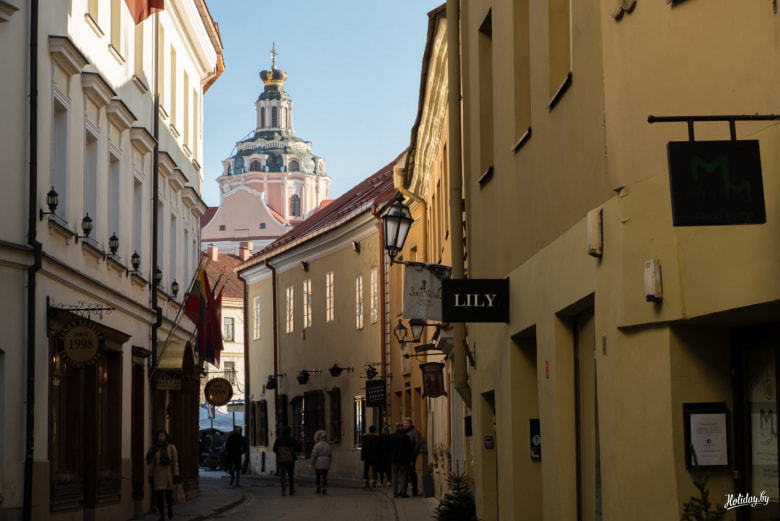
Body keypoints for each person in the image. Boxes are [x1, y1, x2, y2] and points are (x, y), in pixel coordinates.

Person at [146, 429, 180, 521]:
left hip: (169, 475)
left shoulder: (171, 448)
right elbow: (152, 464)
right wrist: (150, 475)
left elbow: (175, 462)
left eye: (162, 436)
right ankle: (162, 516)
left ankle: (170, 511)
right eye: (159, 436)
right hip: (158, 475)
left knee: (169, 496)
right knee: (160, 497)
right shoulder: (155, 449)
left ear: (166, 437)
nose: (161, 438)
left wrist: (176, 474)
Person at [273, 425, 302, 496]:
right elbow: (298, 448)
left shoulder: (278, 440)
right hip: (290, 459)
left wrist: (280, 453)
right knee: (290, 475)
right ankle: (291, 490)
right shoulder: (292, 439)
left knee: (283, 475)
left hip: (281, 460)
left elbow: (274, 449)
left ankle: (283, 490)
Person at [389, 422, 412, 498]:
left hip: (394, 458)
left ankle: (395, 492)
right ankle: (403, 492)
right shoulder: (406, 437)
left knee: (394, 475)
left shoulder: (392, 436)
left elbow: (388, 448)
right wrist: (409, 458)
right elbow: (409, 449)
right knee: (404, 475)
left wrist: (390, 456)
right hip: (404, 459)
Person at [309, 430, 332, 495]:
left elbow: (314, 454)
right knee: (325, 476)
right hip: (326, 462)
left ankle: (318, 487)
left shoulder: (317, 445)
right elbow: (330, 455)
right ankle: (324, 488)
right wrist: (330, 462)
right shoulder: (328, 445)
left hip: (318, 462)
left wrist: (311, 462)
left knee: (318, 476)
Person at [404, 417, 423, 496]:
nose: (405, 425)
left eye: (407, 423)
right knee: (405, 473)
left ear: (410, 424)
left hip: (411, 456)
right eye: (404, 423)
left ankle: (415, 490)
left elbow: (417, 445)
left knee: (412, 473)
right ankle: (404, 490)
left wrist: (413, 456)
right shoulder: (404, 432)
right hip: (405, 457)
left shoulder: (415, 432)